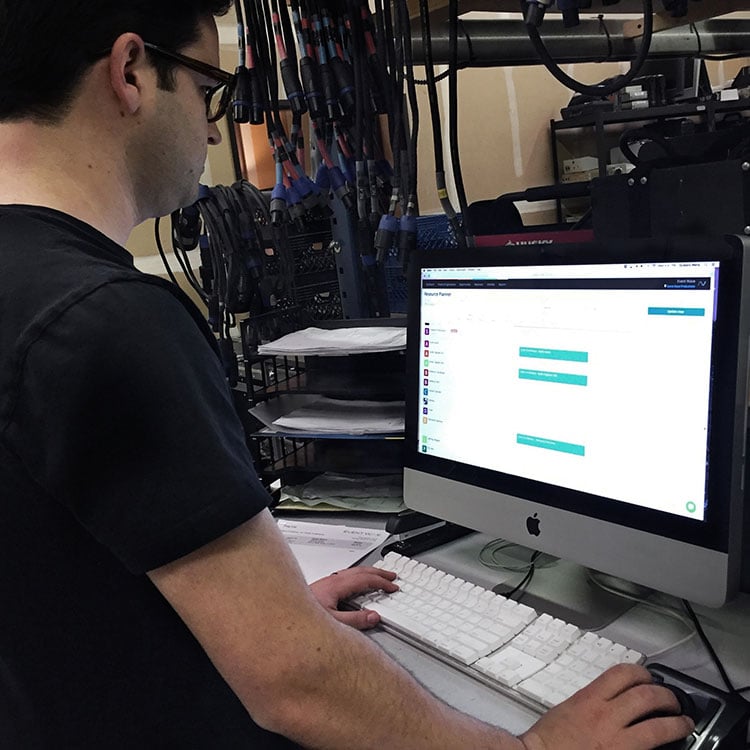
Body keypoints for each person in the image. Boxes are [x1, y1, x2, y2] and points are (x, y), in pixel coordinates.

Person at [0, 2, 696, 748]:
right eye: (210, 89)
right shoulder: (108, 319)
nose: (211, 129)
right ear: (131, 70)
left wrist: (274, 615)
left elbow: (63, 577)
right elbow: (294, 687)